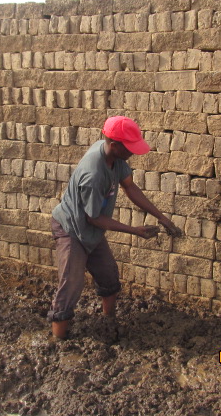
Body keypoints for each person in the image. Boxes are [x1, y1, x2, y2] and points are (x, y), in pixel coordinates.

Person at [49, 115, 182, 339]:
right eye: (129, 149)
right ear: (114, 145)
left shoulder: (114, 158)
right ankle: (57, 341)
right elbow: (94, 218)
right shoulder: (93, 174)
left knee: (109, 275)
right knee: (71, 284)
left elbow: (130, 188)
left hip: (91, 229)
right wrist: (134, 230)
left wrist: (161, 217)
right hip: (72, 229)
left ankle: (109, 322)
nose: (132, 154)